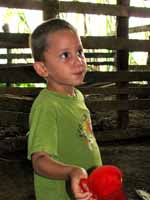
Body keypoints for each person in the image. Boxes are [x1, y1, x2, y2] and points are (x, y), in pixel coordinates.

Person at [27, 18, 102, 200]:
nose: (78, 61)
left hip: (86, 190)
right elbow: (39, 161)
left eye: (79, 51)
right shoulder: (47, 106)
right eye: (65, 55)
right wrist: (72, 172)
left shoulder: (77, 96)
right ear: (42, 68)